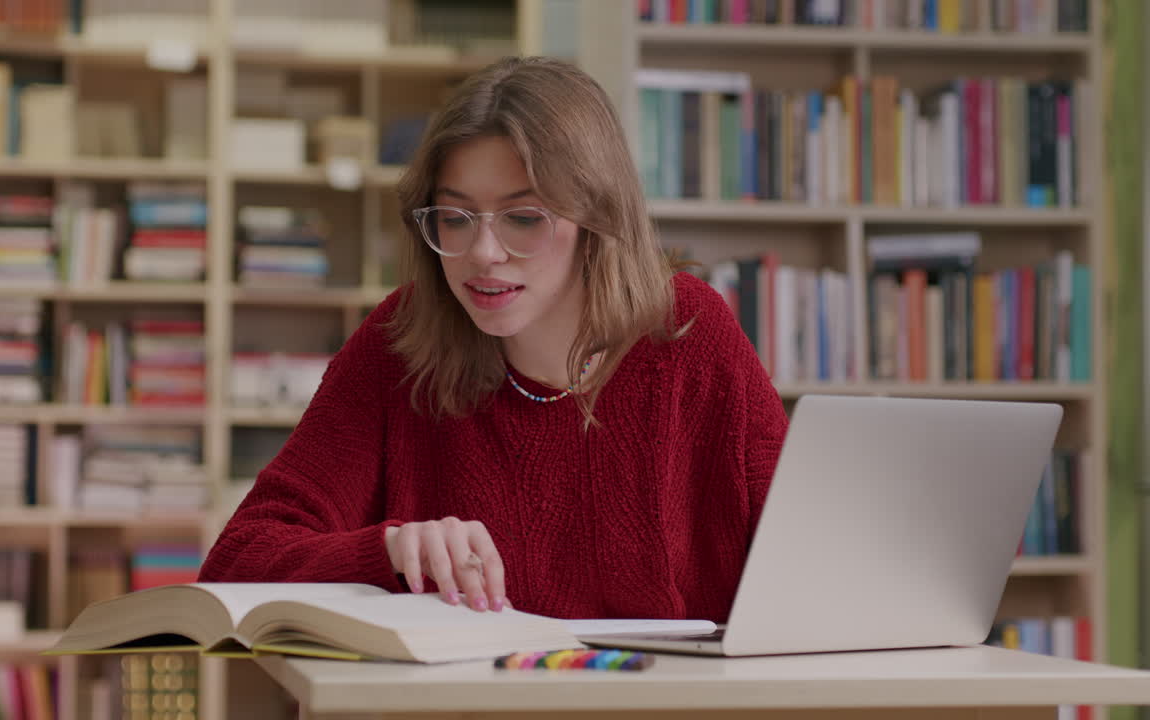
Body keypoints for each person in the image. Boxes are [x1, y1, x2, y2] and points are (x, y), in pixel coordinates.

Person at [198, 56, 789, 623]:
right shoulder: (400, 341)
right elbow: (234, 564)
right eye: (455, 218)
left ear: (596, 217)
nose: (482, 254)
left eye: (524, 218)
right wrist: (391, 552)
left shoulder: (688, 332)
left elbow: (812, 561)